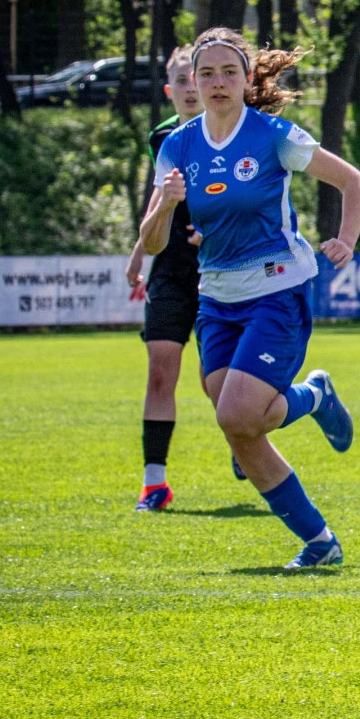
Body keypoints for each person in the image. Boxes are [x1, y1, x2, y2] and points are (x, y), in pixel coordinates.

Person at [139, 27, 360, 568]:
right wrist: (165, 205)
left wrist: (346, 239)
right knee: (240, 425)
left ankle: (318, 539)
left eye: (229, 72)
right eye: (207, 73)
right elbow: (152, 243)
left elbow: (353, 181)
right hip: (216, 300)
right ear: (193, 82)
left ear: (246, 79)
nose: (217, 82)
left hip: (277, 290)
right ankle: (321, 537)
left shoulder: (273, 136)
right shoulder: (177, 146)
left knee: (239, 416)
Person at [126, 45, 208, 513]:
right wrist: (140, 250)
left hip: (220, 267)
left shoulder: (232, 132)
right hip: (171, 269)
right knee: (160, 369)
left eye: (196, 79)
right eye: (181, 81)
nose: (190, 88)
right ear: (168, 90)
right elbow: (159, 197)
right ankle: (154, 483)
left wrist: (214, 230)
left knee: (216, 378)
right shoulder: (161, 137)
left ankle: (244, 439)